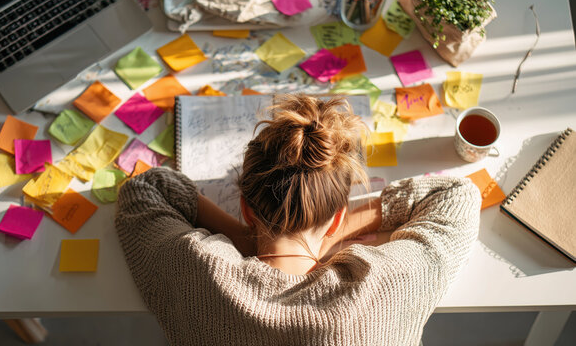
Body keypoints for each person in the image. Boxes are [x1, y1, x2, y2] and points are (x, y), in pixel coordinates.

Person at [115, 94, 481, 345]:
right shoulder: (387, 285)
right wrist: (322, 236)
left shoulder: (195, 273)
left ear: (246, 207)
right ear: (337, 219)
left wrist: (249, 238)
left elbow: (147, 187)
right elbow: (456, 195)